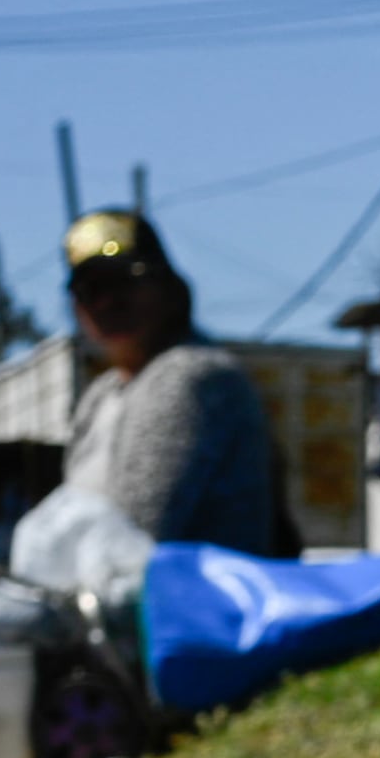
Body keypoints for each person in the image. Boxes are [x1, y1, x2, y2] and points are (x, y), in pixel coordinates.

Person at [52, 209, 285, 557]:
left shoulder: (190, 375)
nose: (108, 301)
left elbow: (133, 544)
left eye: (126, 279)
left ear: (168, 287)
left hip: (185, 593)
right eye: (90, 289)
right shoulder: (100, 397)